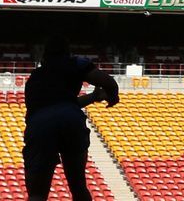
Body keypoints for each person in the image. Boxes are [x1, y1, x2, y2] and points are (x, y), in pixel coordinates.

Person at [23, 36, 119, 201]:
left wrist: (92, 97)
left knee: (37, 193)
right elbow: (108, 82)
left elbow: (51, 108)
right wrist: (112, 96)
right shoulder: (76, 63)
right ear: (68, 51)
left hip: (40, 125)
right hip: (71, 120)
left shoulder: (35, 77)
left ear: (44, 55)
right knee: (78, 186)